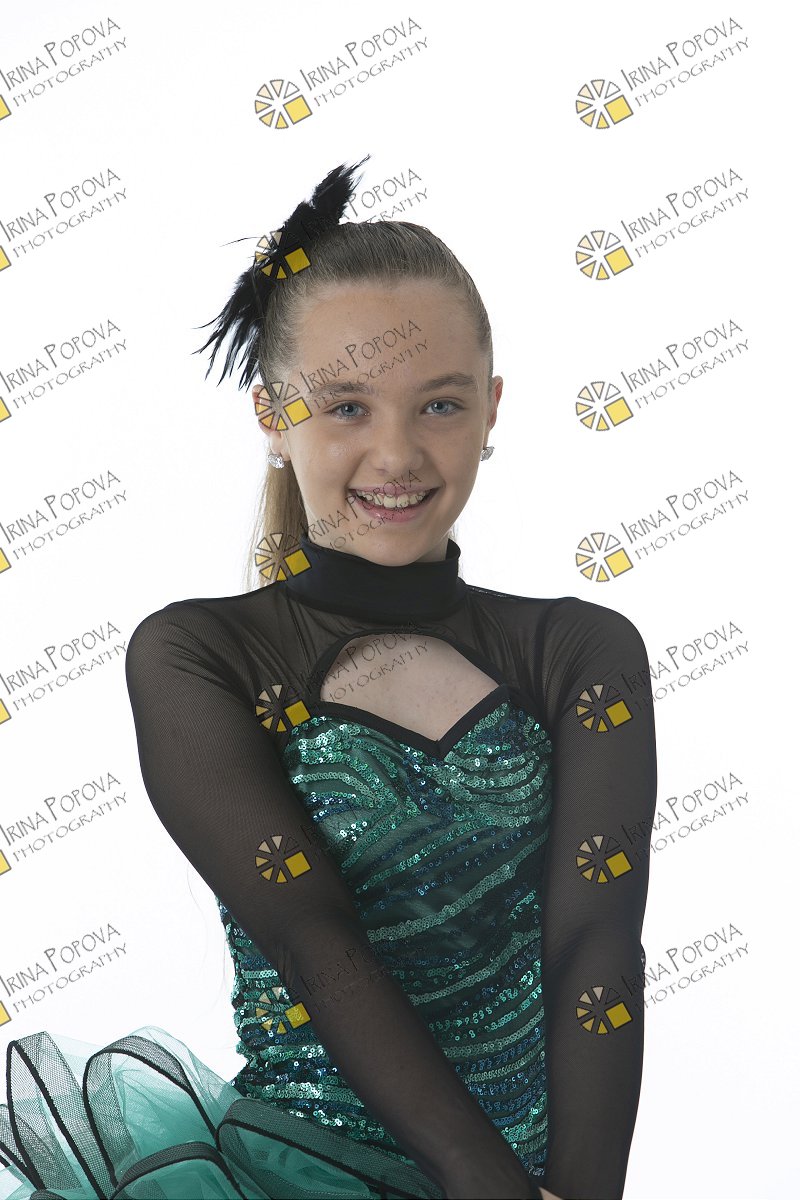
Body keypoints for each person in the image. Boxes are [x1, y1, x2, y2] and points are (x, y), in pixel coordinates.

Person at [0, 160, 657, 1200]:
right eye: (346, 406)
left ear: (491, 408)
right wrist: (485, 1185)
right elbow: (317, 943)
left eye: (438, 404)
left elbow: (595, 943)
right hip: (297, 1175)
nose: (396, 453)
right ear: (272, 412)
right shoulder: (200, 656)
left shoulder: (581, 651)